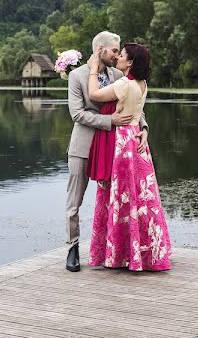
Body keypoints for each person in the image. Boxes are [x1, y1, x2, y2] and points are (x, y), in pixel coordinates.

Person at [65, 31, 148, 272]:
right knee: (74, 201)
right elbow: (77, 114)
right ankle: (73, 248)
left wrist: (144, 127)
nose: (116, 55)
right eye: (114, 50)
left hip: (114, 148)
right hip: (84, 145)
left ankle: (117, 250)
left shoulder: (118, 74)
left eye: (118, 52)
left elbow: (134, 104)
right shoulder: (77, 76)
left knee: (114, 201)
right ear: (100, 49)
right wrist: (109, 120)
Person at [86, 42, 172, 271]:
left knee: (123, 197)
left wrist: (93, 68)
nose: (118, 58)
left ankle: (122, 253)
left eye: (121, 55)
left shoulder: (125, 83)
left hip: (123, 142)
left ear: (130, 62)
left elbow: (94, 95)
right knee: (142, 197)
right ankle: (147, 252)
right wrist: (145, 129)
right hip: (137, 138)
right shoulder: (142, 84)